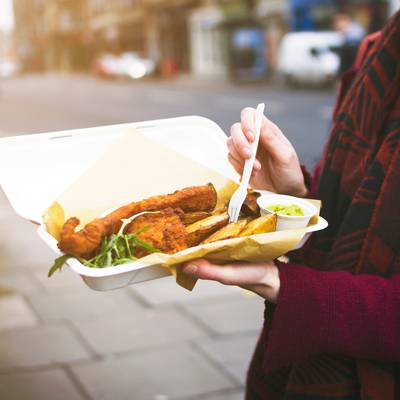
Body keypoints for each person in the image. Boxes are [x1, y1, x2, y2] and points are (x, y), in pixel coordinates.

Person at [182, 11, 400, 400]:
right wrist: (292, 195)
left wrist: (280, 284)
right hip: (303, 373)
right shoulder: (378, 50)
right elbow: (351, 218)